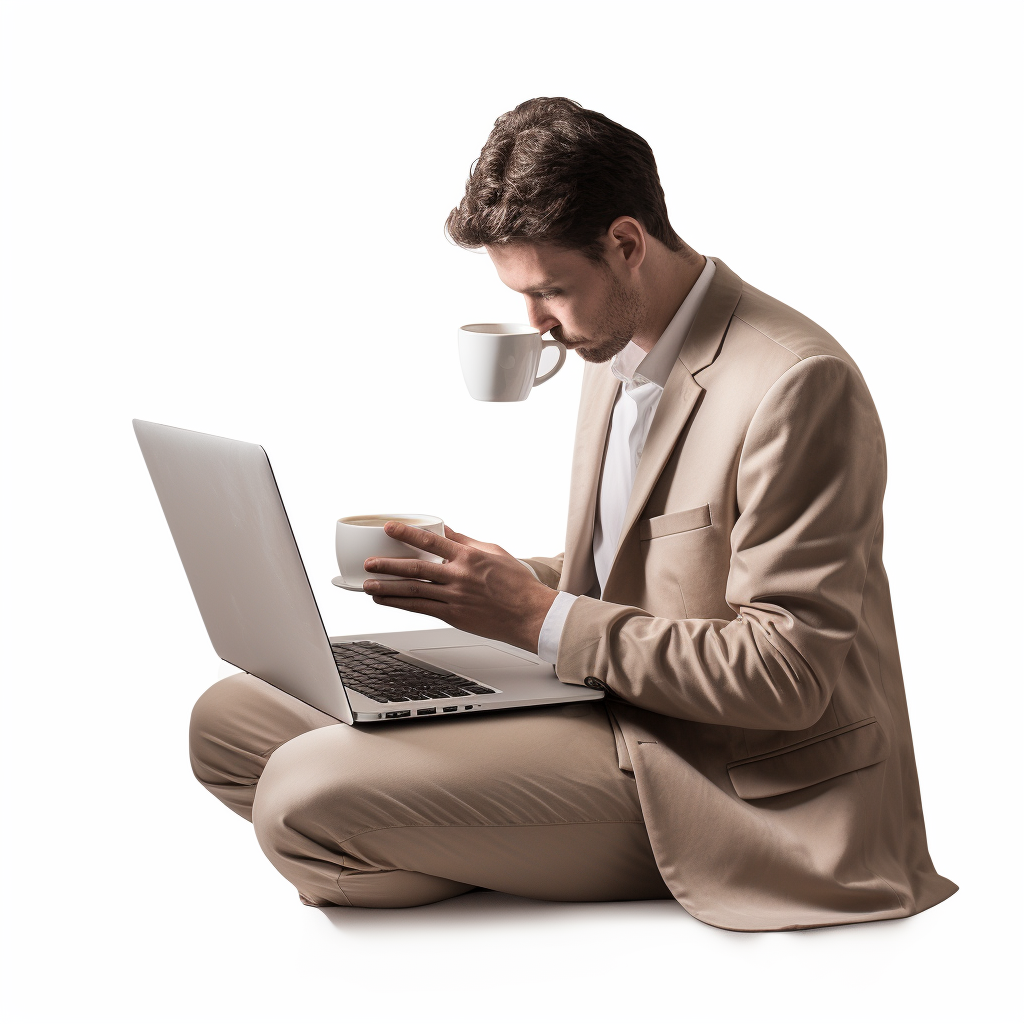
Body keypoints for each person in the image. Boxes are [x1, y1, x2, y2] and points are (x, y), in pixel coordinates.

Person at [190, 97, 956, 930]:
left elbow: (788, 675)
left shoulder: (796, 383)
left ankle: (520, 851)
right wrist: (492, 582)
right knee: (229, 722)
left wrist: (542, 619)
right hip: (608, 701)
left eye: (550, 290)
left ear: (627, 244)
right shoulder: (611, 340)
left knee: (300, 795)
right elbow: (631, 574)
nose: (537, 324)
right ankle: (466, 835)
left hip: (723, 772)